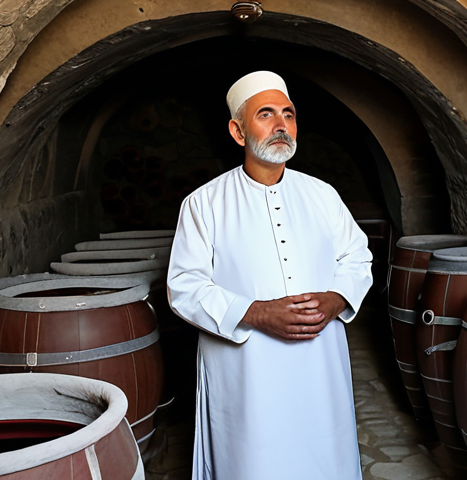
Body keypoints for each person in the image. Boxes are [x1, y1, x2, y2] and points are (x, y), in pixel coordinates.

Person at [167, 71, 373, 480]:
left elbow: (357, 257)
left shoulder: (322, 195)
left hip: (320, 362)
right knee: (253, 462)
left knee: (325, 456)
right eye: (266, 114)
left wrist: (336, 299)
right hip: (246, 372)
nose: (281, 125)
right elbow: (184, 287)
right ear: (238, 131)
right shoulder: (204, 203)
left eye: (289, 114)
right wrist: (257, 313)